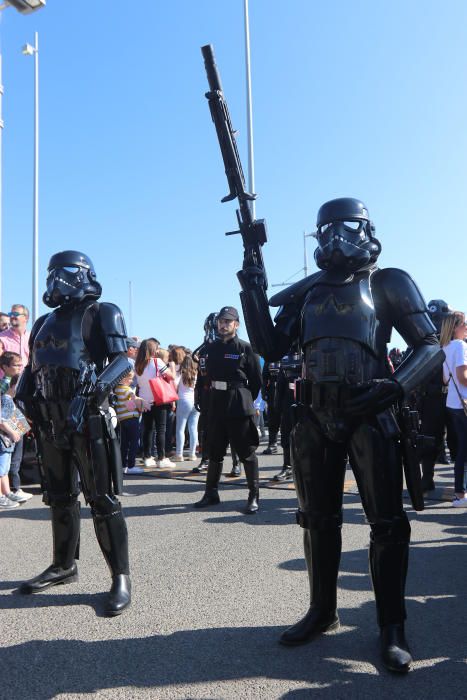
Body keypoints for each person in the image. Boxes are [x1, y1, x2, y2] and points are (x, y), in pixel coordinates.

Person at [238, 197, 443, 671]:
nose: (334, 236)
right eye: (325, 229)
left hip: (369, 414)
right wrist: (253, 276)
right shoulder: (306, 293)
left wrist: (393, 386)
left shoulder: (387, 282)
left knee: (387, 523)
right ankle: (321, 610)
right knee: (316, 519)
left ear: (366, 229)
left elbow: (428, 345)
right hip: (312, 417)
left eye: (344, 226)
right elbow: (270, 344)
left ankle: (392, 624)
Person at [15, 250, 132, 615]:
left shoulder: (102, 311)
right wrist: (24, 399)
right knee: (60, 497)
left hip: (88, 417)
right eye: (52, 272)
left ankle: (120, 578)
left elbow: (122, 360)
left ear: (84, 274)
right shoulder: (43, 322)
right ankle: (63, 565)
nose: (57, 279)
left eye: (65, 271)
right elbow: (32, 368)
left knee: (102, 499)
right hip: (49, 419)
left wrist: (96, 390)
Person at [193, 306, 262, 514]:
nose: (223, 325)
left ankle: (253, 495)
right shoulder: (209, 349)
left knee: (246, 452)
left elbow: (256, 380)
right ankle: (211, 493)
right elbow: (203, 376)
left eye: (228, 322)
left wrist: (244, 398)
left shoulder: (245, 348)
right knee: (214, 451)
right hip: (215, 403)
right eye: (221, 322)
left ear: (236, 324)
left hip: (238, 404)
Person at [135, 339, 176, 469]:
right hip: (158, 399)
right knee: (161, 429)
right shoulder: (157, 362)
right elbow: (172, 377)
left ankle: (147, 457)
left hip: (144, 400)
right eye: (156, 348)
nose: (158, 350)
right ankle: (161, 458)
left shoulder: (138, 365)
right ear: (152, 350)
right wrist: (173, 367)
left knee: (147, 430)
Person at [440, 311, 467, 506]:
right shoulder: (460, 346)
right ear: (455, 327)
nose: (466, 327)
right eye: (464, 324)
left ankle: (460, 493)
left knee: (462, 449)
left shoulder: (445, 347)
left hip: (453, 403)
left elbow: (445, 379)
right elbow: (462, 377)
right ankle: (460, 494)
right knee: (463, 450)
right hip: (464, 401)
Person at [0, 351, 33, 502]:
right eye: (16, 365)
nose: (20, 367)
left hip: (16, 424)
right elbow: (6, 407)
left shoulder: (17, 379)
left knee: (15, 457)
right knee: (8, 460)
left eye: (21, 364)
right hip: (8, 426)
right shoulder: (5, 383)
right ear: (5, 367)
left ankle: (13, 489)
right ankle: (13, 488)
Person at [272, 346, 303, 482]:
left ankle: (307, 468)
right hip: (289, 400)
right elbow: (280, 384)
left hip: (308, 400)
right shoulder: (285, 357)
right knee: (286, 435)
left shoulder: (309, 351)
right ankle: (287, 467)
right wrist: (277, 405)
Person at [114, 369, 145, 475]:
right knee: (134, 442)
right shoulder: (128, 390)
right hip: (132, 418)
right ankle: (131, 465)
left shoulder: (116, 390)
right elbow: (134, 399)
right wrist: (141, 404)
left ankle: (123, 465)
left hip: (122, 420)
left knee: (124, 444)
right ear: (123, 378)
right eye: (130, 378)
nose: (131, 381)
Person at [0, 376, 22, 510]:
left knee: (5, 469)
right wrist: (13, 432)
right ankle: (2, 496)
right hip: (4, 440)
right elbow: (1, 421)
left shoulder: (7, 399)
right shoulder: (6, 400)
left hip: (7, 441)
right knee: (1, 470)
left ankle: (7, 493)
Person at [174, 355, 199, 461]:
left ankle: (179, 454)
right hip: (195, 402)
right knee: (193, 428)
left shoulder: (181, 372)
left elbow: (174, 385)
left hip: (183, 401)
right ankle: (192, 454)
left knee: (180, 428)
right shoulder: (196, 373)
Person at [261, 360, 281, 454]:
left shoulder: (294, 350)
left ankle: (291, 447)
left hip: (290, 389)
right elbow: (264, 376)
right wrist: (264, 390)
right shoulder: (270, 356)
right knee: (272, 418)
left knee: (289, 420)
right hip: (273, 390)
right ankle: (272, 445)